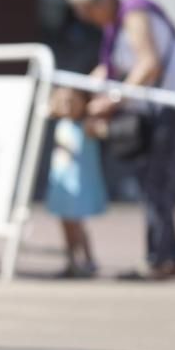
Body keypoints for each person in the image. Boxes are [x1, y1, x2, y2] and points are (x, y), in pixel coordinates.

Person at [68, 0, 175, 281]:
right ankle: (168, 257)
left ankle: (161, 258)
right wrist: (79, 90)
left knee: (157, 182)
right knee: (152, 183)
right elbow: (112, 68)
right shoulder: (115, 25)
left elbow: (148, 64)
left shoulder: (133, 14)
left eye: (87, 9)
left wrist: (113, 101)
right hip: (157, 109)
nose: (86, 17)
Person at [45, 87, 107, 278]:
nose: (67, 106)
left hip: (79, 185)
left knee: (78, 226)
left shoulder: (85, 125)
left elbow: (103, 130)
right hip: (63, 184)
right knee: (66, 225)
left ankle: (88, 260)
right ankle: (72, 260)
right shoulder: (61, 123)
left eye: (72, 102)